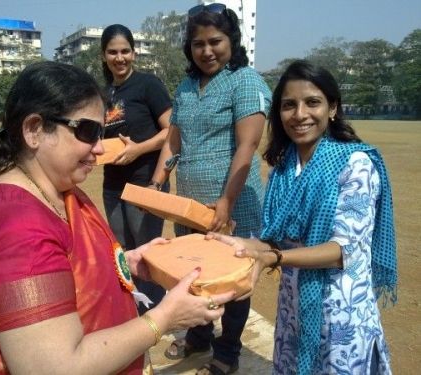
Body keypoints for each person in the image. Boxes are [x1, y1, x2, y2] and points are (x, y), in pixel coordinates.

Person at [0, 61, 236, 375]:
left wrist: (123, 264)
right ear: (34, 130)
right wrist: (164, 319)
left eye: (101, 133)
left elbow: (68, 266)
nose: (101, 148)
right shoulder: (17, 230)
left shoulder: (57, 189)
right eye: (88, 131)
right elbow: (54, 368)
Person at [209, 60, 397, 374]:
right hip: (293, 307)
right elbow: (274, 237)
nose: (299, 115)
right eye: (288, 105)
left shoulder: (356, 164)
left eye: (312, 102)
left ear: (333, 108)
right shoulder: (284, 167)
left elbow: (342, 251)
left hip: (340, 312)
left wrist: (274, 258)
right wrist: (236, 242)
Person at [149, 4, 272, 374]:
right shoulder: (186, 87)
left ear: (231, 41)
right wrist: (157, 184)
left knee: (231, 280)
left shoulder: (245, 80)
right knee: (194, 273)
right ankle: (199, 337)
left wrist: (226, 202)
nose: (207, 51)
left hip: (233, 206)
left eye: (215, 41)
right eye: (198, 43)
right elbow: (174, 140)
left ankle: (228, 351)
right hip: (189, 206)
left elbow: (247, 148)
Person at [100, 24, 172, 314]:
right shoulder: (104, 93)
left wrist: (137, 149)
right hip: (113, 185)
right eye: (113, 52)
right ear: (103, 56)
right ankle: (135, 308)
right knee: (125, 252)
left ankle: (156, 315)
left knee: (147, 251)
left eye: (125, 51)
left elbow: (171, 132)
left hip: (145, 182)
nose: (120, 58)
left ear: (134, 52)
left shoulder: (148, 85)